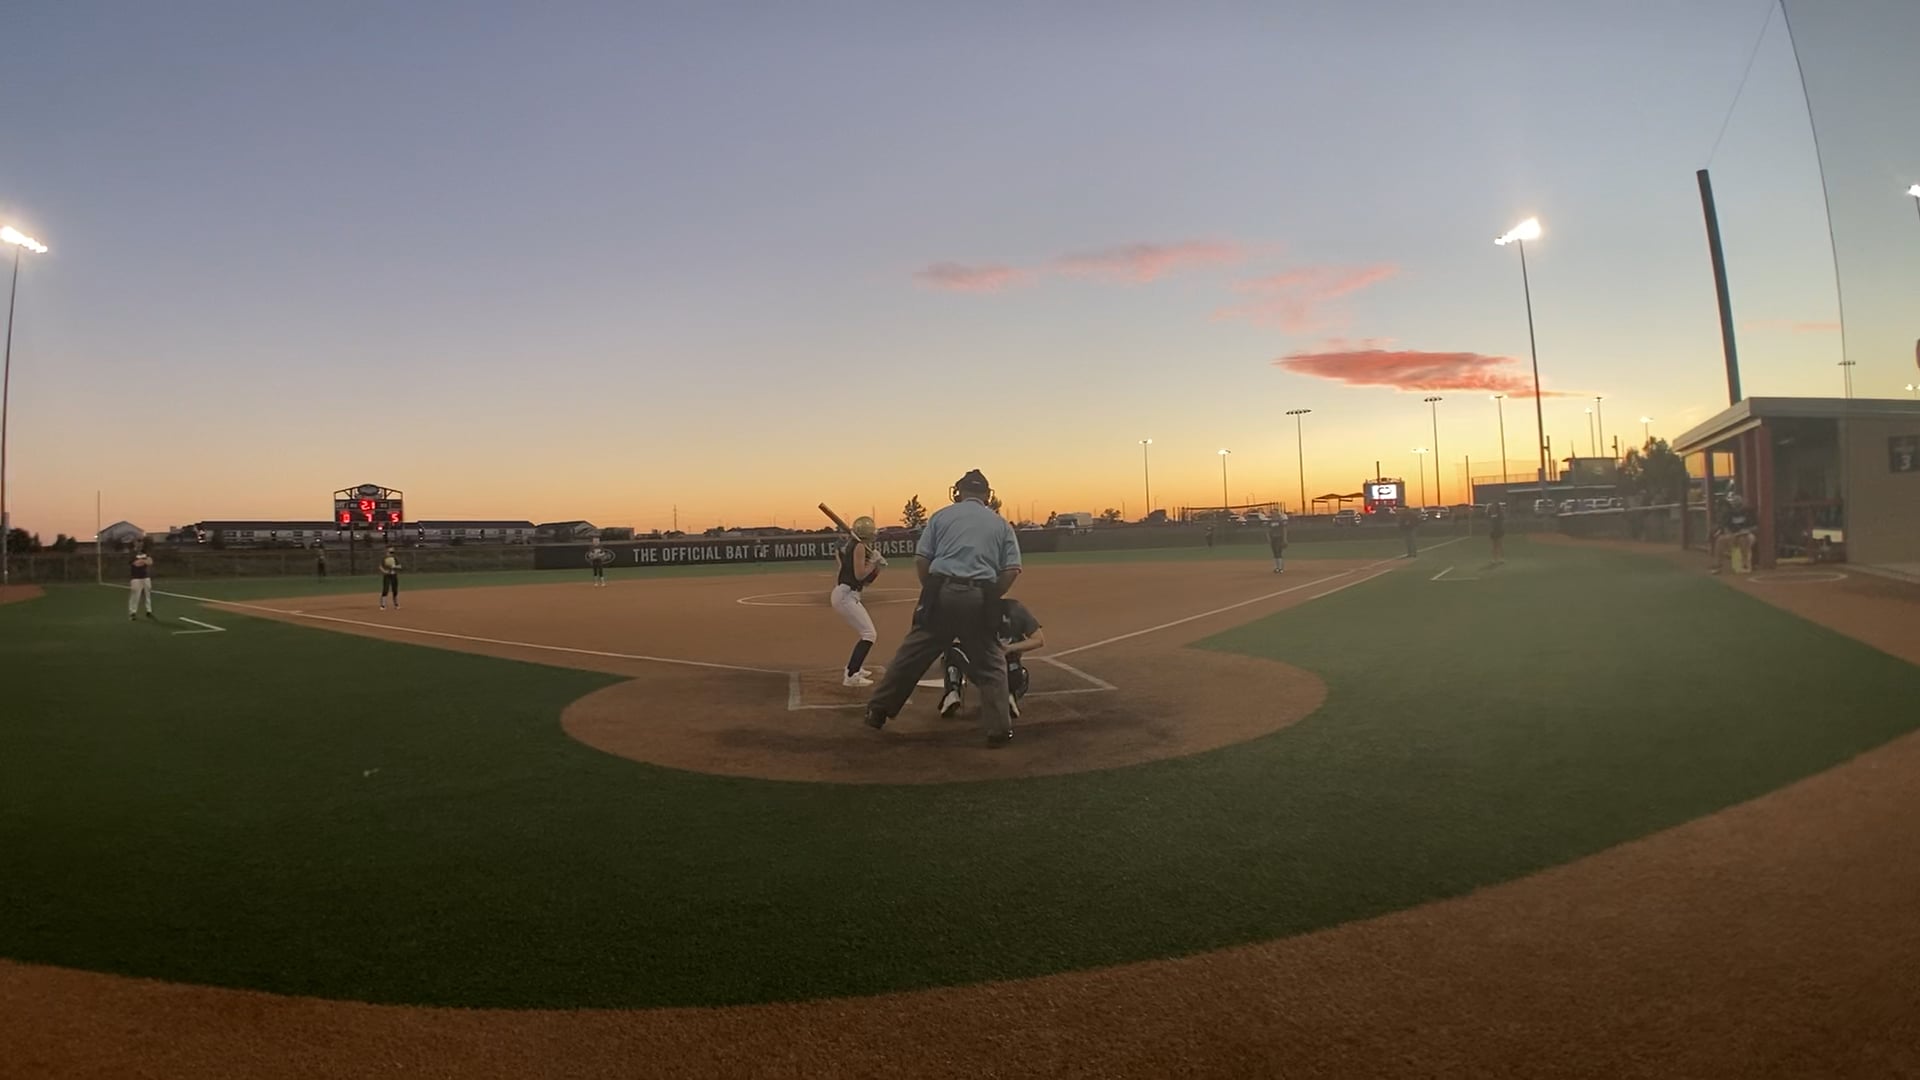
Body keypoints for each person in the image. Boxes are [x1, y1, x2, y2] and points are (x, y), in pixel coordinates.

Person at [863, 469, 1022, 748]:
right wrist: (989, 595)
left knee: (912, 655)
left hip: (941, 592)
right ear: (987, 495)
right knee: (990, 662)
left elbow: (922, 560)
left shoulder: (941, 516)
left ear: (958, 492)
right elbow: (1011, 569)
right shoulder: (1000, 524)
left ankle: (878, 711)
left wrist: (933, 591)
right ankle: (998, 731)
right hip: (980, 595)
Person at [940, 596, 1044, 720]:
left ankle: (952, 691)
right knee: (1023, 674)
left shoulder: (969, 610)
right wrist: (1009, 648)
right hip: (1009, 672)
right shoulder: (1015, 608)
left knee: (952, 650)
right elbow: (1039, 640)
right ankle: (1010, 695)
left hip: (978, 671)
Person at [831, 516, 886, 687]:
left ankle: (854, 668)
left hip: (849, 594)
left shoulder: (855, 545)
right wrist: (873, 562)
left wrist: (876, 568)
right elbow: (860, 575)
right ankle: (851, 675)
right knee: (869, 634)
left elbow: (866, 581)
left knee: (868, 633)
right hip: (846, 595)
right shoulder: (859, 546)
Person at [1712, 493, 1757, 575]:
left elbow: (1755, 527)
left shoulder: (1748, 511)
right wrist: (1730, 534)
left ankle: (1745, 563)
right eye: (1734, 503)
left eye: (1738, 503)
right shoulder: (1730, 513)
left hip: (1748, 535)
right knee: (1720, 540)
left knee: (1743, 539)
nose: (1736, 505)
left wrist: (1745, 531)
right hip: (1733, 535)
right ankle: (1718, 565)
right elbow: (1726, 527)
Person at [128, 544, 156, 621]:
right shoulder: (132, 553)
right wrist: (144, 561)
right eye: (138, 542)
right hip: (136, 578)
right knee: (135, 596)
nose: (139, 545)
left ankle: (149, 611)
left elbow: (150, 562)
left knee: (148, 594)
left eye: (140, 542)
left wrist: (142, 561)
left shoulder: (146, 553)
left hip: (146, 577)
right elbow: (136, 564)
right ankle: (132, 612)